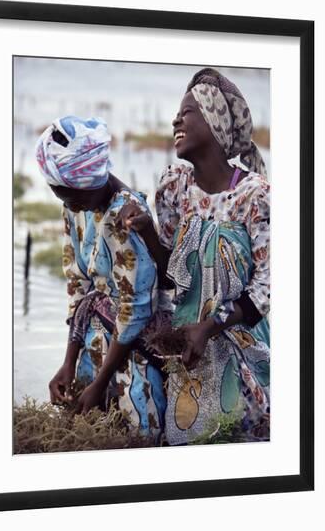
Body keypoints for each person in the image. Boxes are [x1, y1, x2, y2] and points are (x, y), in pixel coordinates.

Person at [118, 68, 270, 445]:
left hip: (240, 341)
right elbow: (172, 276)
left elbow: (268, 287)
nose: (175, 120)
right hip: (189, 347)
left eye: (187, 112)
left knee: (241, 439)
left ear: (215, 122)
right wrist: (148, 232)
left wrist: (211, 326)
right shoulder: (175, 187)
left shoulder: (255, 196)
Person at [34, 115, 169, 442]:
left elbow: (136, 307)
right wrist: (69, 363)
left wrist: (100, 382)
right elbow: (77, 284)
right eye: (61, 197)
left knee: (137, 432)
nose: (68, 206)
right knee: (80, 422)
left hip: (132, 347)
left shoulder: (126, 217)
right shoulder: (75, 205)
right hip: (96, 336)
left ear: (88, 184)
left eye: (69, 197)